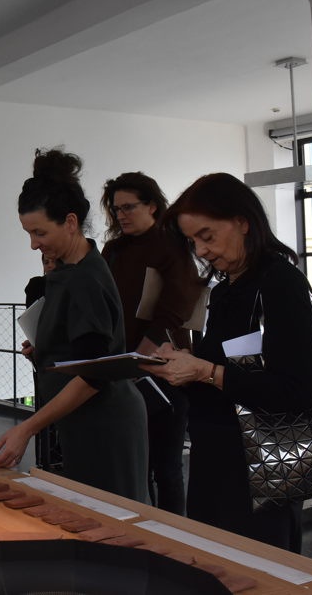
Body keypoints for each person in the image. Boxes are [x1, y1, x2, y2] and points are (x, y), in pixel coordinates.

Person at [143, 173, 312, 552]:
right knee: (214, 564)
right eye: (193, 242)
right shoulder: (226, 289)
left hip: (262, 467)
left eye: (207, 236)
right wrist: (187, 364)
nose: (202, 251)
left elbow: (293, 390)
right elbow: (230, 364)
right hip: (215, 457)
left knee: (258, 570)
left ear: (242, 221)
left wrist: (206, 371)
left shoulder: (279, 283)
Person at [0, 149, 148, 503]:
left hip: (106, 421)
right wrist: (46, 350)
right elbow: (82, 347)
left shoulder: (84, 279)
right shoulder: (71, 269)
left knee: (115, 516)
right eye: (28, 233)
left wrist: (27, 428)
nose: (33, 244)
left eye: (40, 232)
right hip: (85, 418)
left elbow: (94, 375)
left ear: (71, 222)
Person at [101, 172, 203, 515]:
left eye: (128, 207)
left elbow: (175, 309)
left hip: (164, 371)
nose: (121, 215)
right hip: (124, 369)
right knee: (133, 464)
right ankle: (138, 530)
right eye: (116, 209)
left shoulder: (172, 246)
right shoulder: (114, 250)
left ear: (152, 206)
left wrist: (138, 359)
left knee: (167, 467)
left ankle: (173, 536)